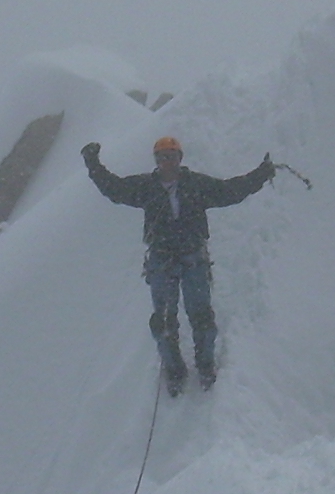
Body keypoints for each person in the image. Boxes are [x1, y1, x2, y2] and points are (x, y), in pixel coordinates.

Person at [83, 134, 273, 394]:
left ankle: (205, 365)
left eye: (170, 156)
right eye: (161, 157)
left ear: (179, 158)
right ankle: (175, 370)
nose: (166, 162)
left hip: (191, 257)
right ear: (157, 160)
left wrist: (261, 174)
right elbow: (113, 189)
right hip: (163, 260)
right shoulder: (147, 187)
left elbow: (230, 191)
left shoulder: (195, 184)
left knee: (201, 316)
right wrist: (93, 164)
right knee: (163, 322)